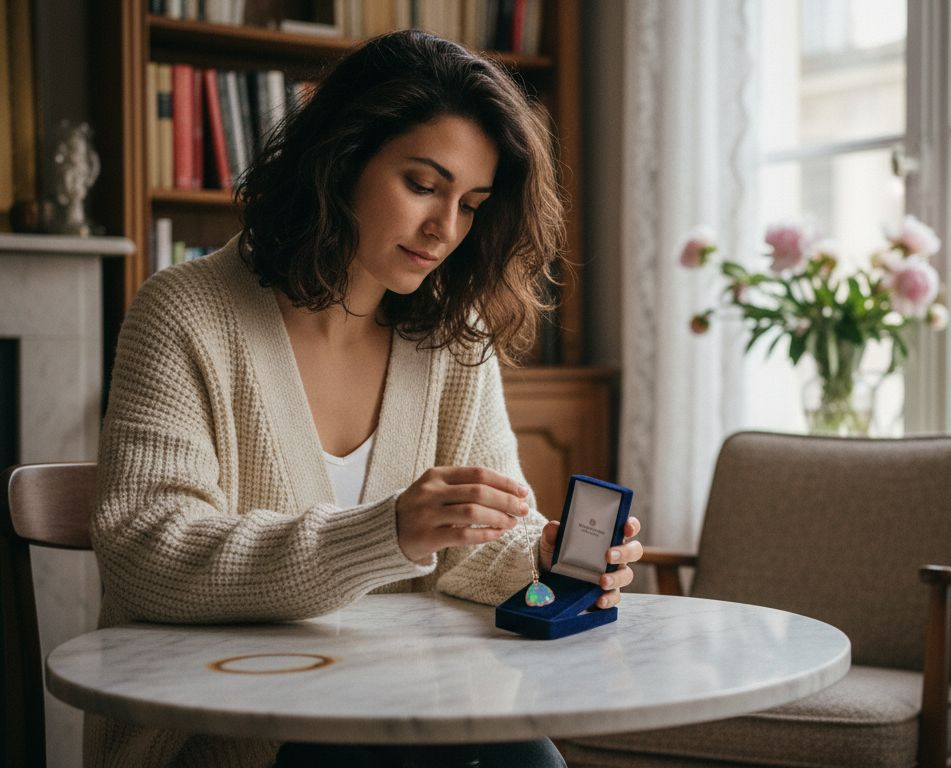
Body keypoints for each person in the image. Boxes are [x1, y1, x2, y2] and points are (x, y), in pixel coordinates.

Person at [89, 30, 641, 767]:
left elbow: (474, 547)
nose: (445, 229)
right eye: (423, 185)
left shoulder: (448, 334)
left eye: (471, 203)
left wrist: (538, 558)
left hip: (400, 704)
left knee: (521, 750)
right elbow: (144, 552)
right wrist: (388, 533)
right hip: (234, 734)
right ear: (342, 158)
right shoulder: (185, 313)